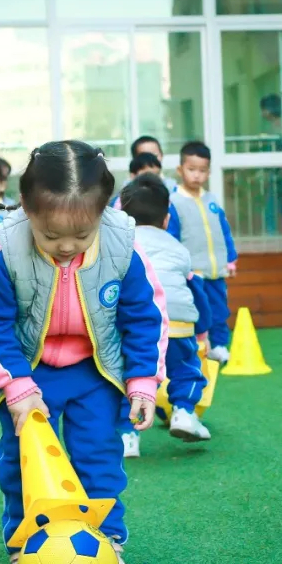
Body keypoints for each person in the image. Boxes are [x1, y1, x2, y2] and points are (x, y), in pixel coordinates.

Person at [0, 140, 167, 564]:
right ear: (28, 210)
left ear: (103, 213)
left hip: (95, 373)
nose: (67, 247)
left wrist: (142, 382)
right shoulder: (5, 247)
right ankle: (25, 554)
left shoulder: (122, 244)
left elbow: (145, 317)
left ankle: (107, 544)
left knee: (99, 459)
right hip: (27, 373)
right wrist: (16, 386)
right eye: (52, 236)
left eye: (81, 235)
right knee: (24, 464)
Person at [116, 174, 212, 457]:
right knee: (186, 369)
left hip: (135, 328)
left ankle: (128, 436)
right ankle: (183, 411)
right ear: (167, 219)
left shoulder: (119, 247)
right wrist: (203, 331)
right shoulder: (179, 250)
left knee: (130, 377)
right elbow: (197, 292)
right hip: (179, 324)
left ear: (121, 216)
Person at [167, 141, 237, 363]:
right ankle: (195, 349)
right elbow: (171, 238)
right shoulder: (174, 202)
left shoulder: (212, 200)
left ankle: (218, 346)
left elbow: (224, 231)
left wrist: (231, 259)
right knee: (195, 311)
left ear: (208, 172)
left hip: (215, 270)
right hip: (192, 273)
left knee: (219, 310)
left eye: (202, 171)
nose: (197, 175)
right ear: (180, 170)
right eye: (191, 169)